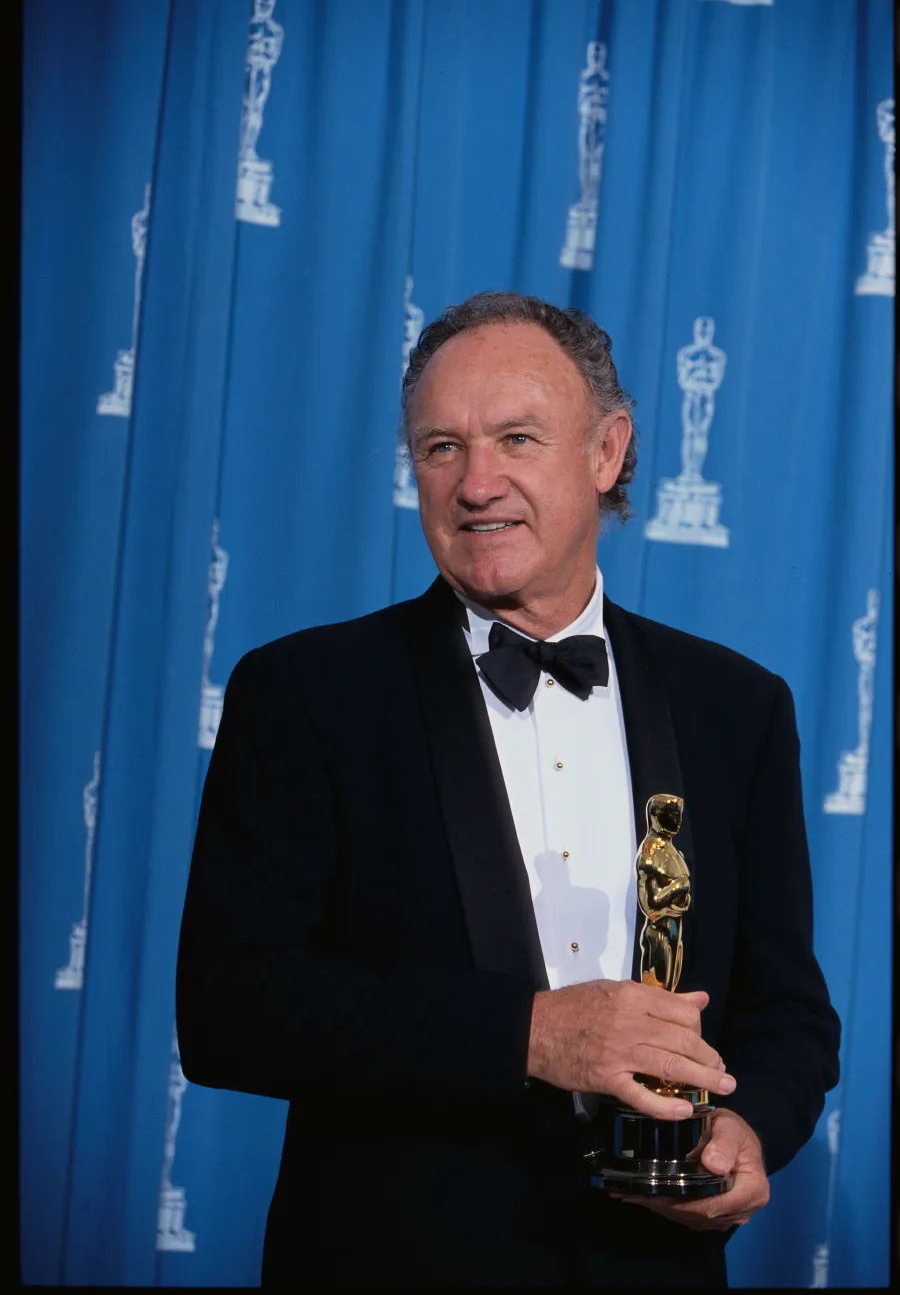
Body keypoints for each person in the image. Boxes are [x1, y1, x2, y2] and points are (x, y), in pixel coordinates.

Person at [176, 291, 840, 1288]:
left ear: (607, 451)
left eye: (518, 438)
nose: (476, 484)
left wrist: (749, 1127)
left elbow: (788, 1010)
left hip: (651, 1267)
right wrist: (530, 1034)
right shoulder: (306, 693)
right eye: (441, 447)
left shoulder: (737, 706)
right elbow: (230, 1009)